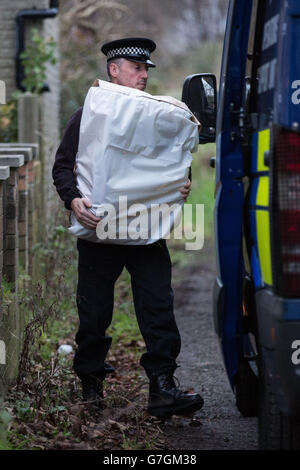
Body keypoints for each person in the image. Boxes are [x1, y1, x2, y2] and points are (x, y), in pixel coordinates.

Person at [52, 37, 204, 419]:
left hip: (146, 231)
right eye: (136, 68)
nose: (143, 75)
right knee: (94, 314)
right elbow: (61, 167)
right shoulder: (87, 113)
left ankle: (163, 389)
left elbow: (170, 165)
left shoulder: (157, 115)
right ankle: (90, 392)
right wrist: (73, 200)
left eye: (146, 69)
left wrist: (181, 185)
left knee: (158, 308)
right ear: (113, 70)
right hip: (98, 231)